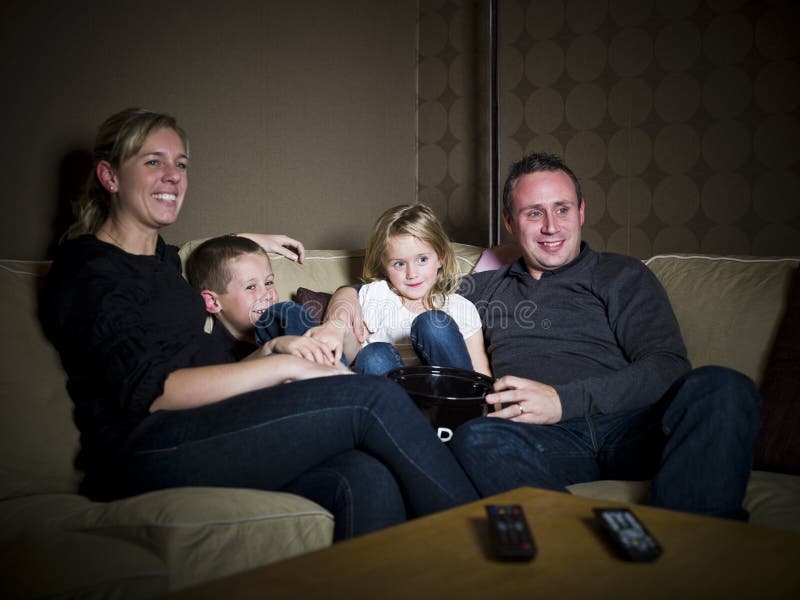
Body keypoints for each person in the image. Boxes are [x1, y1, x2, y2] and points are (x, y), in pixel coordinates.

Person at [43, 107, 478, 542]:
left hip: (210, 426)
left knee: (365, 476)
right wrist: (282, 367)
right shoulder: (87, 270)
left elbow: (200, 262)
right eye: (153, 161)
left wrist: (270, 347)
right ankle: (485, 540)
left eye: (181, 164)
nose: (172, 175)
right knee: (373, 398)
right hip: (144, 449)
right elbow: (156, 391)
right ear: (110, 176)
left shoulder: (160, 262)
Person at [329, 152, 762, 521]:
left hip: (633, 426)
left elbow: (667, 367)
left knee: (723, 387)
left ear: (582, 212)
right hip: (540, 441)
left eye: (563, 209)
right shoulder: (481, 290)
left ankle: (687, 551)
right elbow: (398, 291)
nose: (551, 226)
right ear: (510, 222)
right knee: (476, 437)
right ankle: (580, 545)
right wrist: (342, 306)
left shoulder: (623, 275)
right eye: (534, 213)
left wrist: (562, 401)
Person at [349, 203, 491, 376]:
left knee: (433, 324)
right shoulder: (376, 296)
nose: (412, 273)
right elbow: (351, 351)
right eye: (399, 264)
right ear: (384, 266)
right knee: (373, 355)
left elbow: (480, 371)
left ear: (440, 258)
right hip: (395, 396)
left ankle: (458, 403)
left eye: (422, 259)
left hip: (449, 394)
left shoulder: (460, 307)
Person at [185, 234, 336, 365]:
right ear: (213, 302)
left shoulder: (285, 324)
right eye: (250, 287)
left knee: (291, 312)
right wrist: (270, 349)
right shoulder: (212, 352)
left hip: (325, 367)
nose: (267, 294)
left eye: (269, 283)